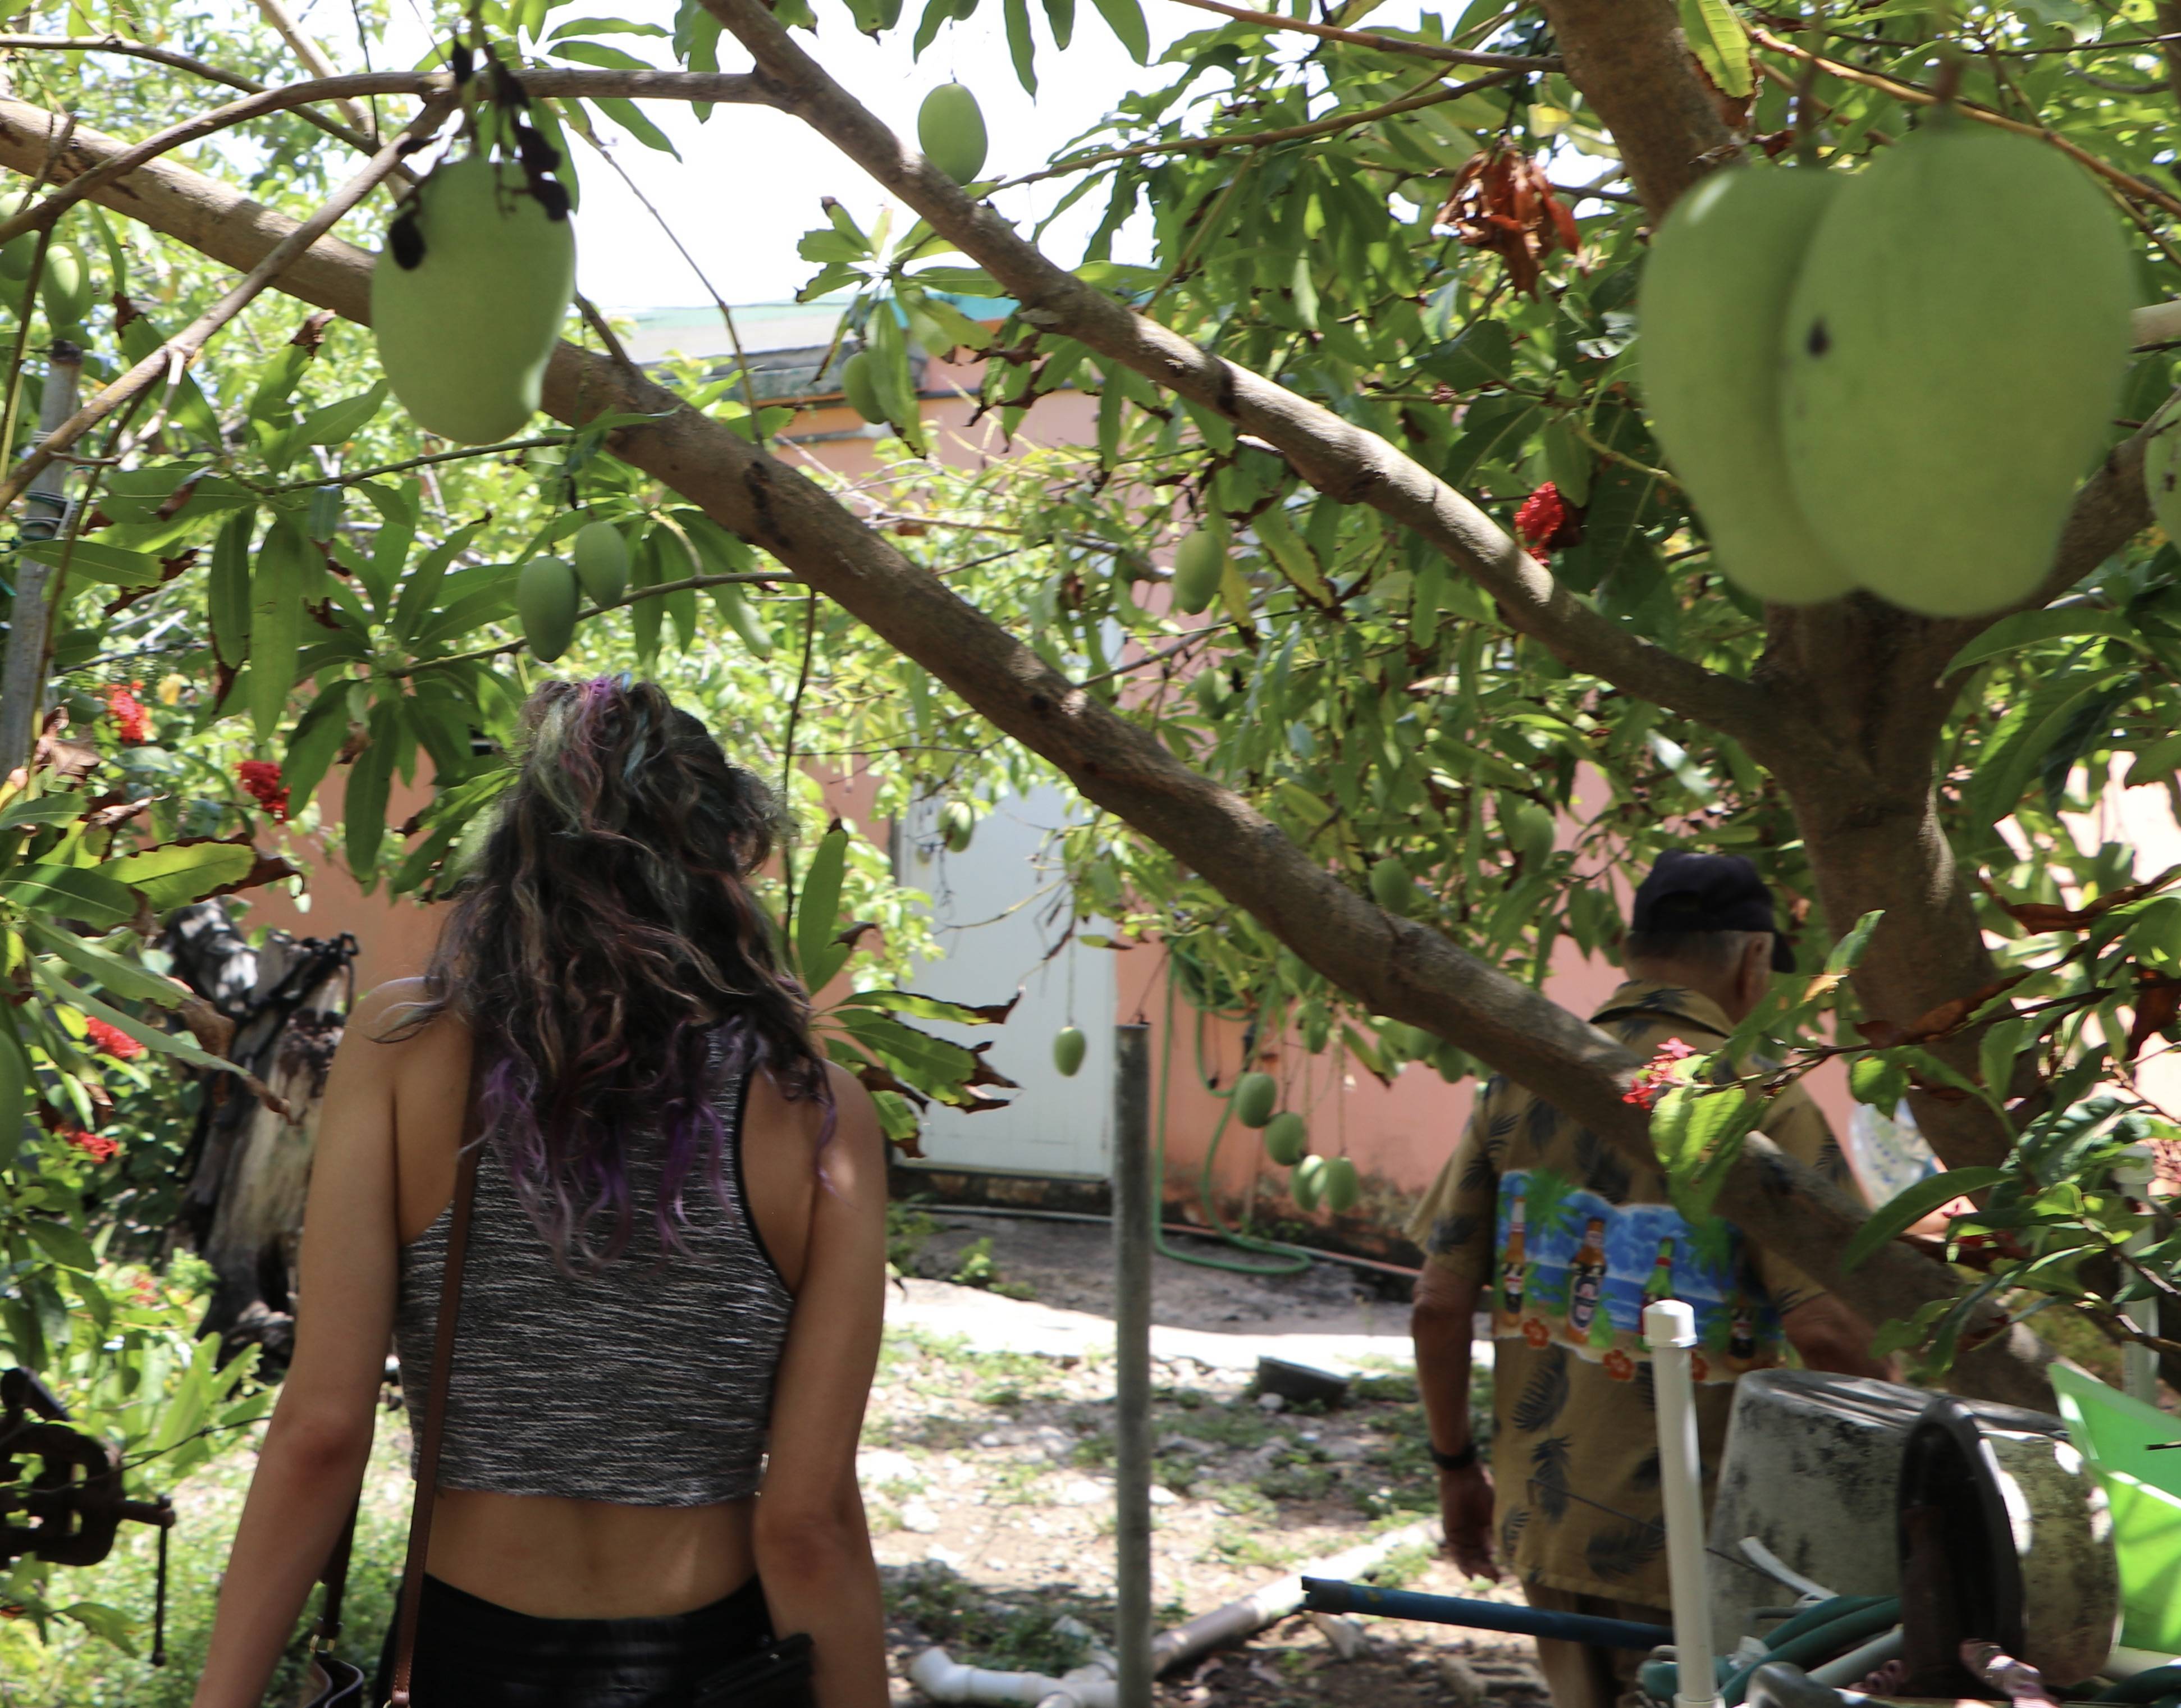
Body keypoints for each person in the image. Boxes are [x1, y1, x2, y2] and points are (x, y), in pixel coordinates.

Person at [193, 677, 890, 1708]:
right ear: (722, 859)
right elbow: (807, 1521)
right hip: (718, 1663)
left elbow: (324, 1428)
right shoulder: (819, 1117)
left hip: (476, 1656)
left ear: (519, 857)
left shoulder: (403, 1053)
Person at [1407, 851, 1886, 1708]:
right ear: (1751, 962)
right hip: (1698, 1540)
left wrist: (1454, 1468)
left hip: (1544, 1517)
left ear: (1631, 950)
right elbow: (1830, 1332)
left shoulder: (1518, 1082)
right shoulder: (1756, 1100)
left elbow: (1437, 1305)